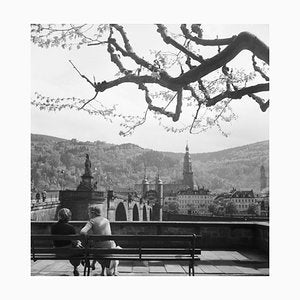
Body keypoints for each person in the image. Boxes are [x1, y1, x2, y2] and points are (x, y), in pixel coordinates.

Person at [80, 204, 116, 275]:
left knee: (91, 245)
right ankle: (102, 271)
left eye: (89, 212)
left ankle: (88, 263)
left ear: (93, 213)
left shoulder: (92, 221)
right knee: (101, 244)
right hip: (109, 248)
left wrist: (87, 237)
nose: (88, 214)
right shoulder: (106, 220)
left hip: (98, 250)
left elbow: (82, 232)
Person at [51, 208, 82, 276]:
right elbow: (74, 242)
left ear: (59, 216)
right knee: (78, 248)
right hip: (68, 252)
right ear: (69, 217)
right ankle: (75, 267)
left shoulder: (53, 227)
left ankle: (76, 267)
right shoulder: (70, 227)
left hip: (57, 251)